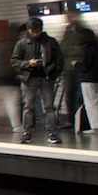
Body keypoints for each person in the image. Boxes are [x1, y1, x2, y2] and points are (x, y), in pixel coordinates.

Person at [14, 16, 66, 145]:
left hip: (46, 77)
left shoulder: (51, 42)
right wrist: (28, 64)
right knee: (28, 106)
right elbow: (14, 61)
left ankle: (52, 133)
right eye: (33, 31)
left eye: (37, 31)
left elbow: (59, 60)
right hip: (29, 78)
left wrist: (55, 73)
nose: (35, 33)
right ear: (29, 29)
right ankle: (27, 133)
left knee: (49, 107)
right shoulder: (22, 43)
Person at [79, 23, 98, 141]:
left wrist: (76, 64)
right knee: (95, 102)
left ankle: (96, 126)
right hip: (97, 78)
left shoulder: (87, 49)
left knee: (90, 103)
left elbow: (86, 66)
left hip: (88, 79)